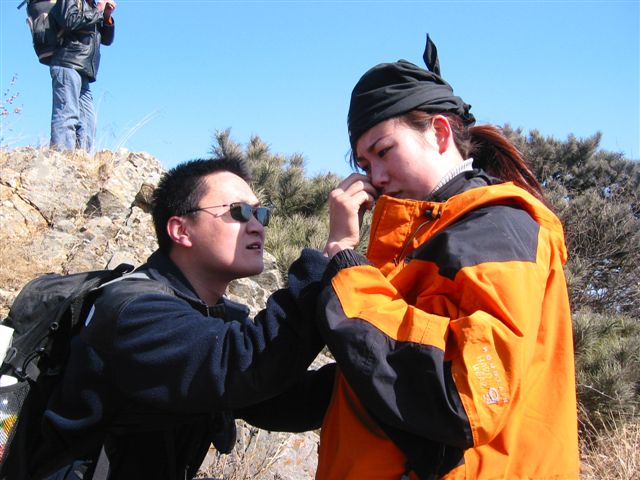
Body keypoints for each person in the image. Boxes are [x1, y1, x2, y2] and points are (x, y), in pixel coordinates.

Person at [315, 35, 579, 479]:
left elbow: (463, 397)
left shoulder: (494, 228)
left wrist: (344, 259)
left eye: (383, 151)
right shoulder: (431, 232)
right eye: (364, 164)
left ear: (439, 133)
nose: (376, 177)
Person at [27, 156, 332, 479]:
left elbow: (278, 400)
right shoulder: (134, 312)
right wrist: (329, 257)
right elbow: (246, 365)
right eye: (239, 211)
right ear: (181, 230)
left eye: (260, 213)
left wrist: (366, 370)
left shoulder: (211, 314)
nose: (257, 225)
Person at [48, 0, 116, 152]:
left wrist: (106, 16)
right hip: (67, 63)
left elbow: (106, 40)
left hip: (83, 70)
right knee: (67, 114)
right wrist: (99, 10)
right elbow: (69, 20)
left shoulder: (91, 6)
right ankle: (61, 158)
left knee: (88, 121)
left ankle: (81, 160)